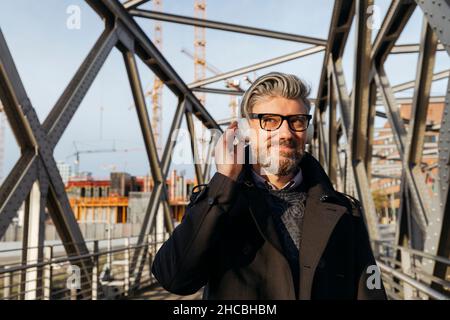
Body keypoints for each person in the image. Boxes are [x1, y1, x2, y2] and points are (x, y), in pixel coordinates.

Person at [151, 72, 387, 300]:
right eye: (270, 121)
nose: (286, 133)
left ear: (309, 130)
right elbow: (173, 278)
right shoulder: (219, 202)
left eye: (297, 121)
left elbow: (370, 292)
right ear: (245, 131)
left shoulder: (346, 212)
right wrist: (224, 182)